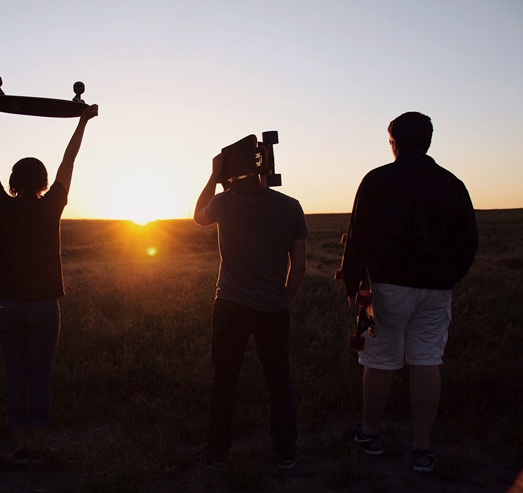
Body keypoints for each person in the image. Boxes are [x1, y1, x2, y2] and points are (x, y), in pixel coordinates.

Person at [339, 111, 477, 472]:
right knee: (427, 362)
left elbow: (358, 235)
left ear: (394, 142)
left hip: (387, 287)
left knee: (380, 360)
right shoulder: (452, 184)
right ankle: (422, 449)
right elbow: (469, 241)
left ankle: (369, 435)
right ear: (428, 141)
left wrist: (353, 283)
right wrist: (450, 276)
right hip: (436, 288)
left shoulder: (377, 180)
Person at [0, 99, 98, 462]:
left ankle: (21, 446)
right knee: (40, 377)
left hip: (7, 306)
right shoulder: (51, 204)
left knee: (14, 378)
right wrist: (82, 122)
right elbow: (69, 162)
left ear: (12, 181)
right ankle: (39, 444)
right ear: (42, 181)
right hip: (44, 306)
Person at [192, 154, 308, 470]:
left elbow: (197, 216)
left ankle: (217, 453)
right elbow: (299, 266)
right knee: (279, 380)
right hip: (273, 307)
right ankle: (285, 451)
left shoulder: (223, 203)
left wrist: (212, 177)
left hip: (230, 305)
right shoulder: (290, 206)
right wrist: (285, 297)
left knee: (224, 380)